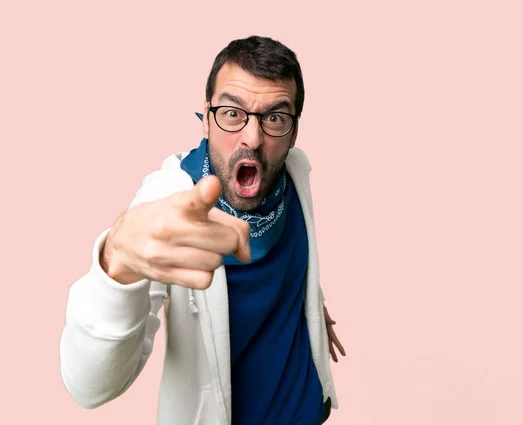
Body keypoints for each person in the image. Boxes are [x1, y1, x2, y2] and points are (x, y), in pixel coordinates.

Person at [60, 35, 345, 425]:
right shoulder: (167, 201)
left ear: (294, 132)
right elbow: (88, 386)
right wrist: (116, 263)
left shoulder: (295, 171)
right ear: (207, 117)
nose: (253, 137)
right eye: (232, 113)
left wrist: (311, 303)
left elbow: (292, 258)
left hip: (309, 411)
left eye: (275, 117)